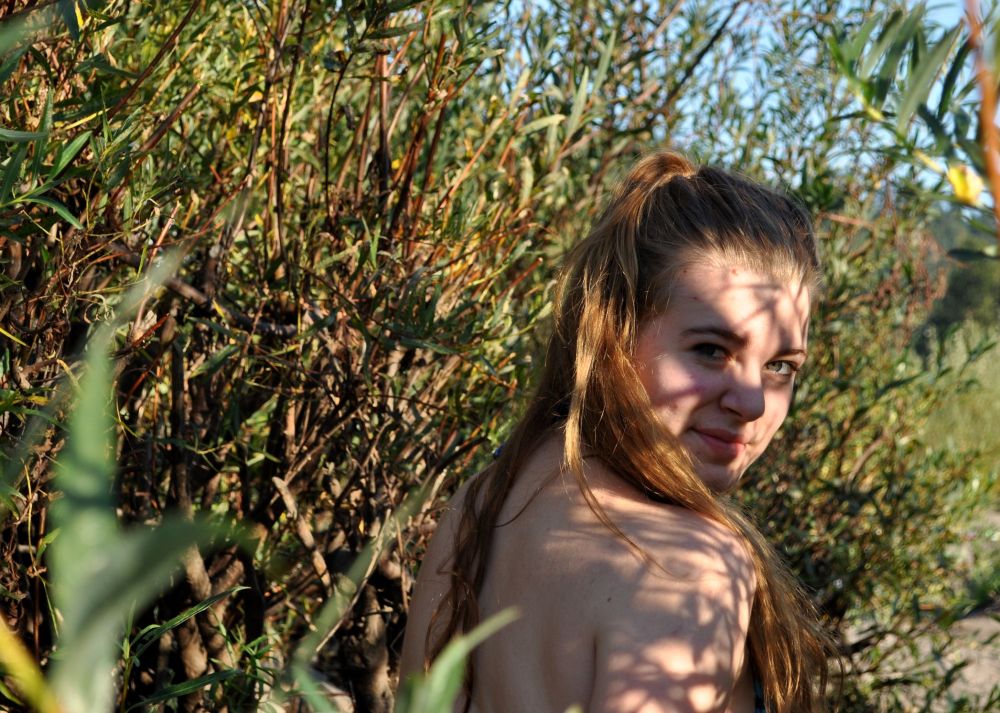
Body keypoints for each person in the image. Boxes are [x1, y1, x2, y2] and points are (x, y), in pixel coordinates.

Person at [398, 151, 835, 713]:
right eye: (710, 350)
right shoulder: (688, 568)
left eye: (781, 367)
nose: (751, 402)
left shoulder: (482, 503)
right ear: (611, 332)